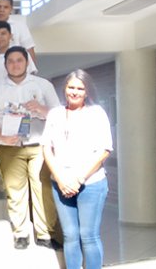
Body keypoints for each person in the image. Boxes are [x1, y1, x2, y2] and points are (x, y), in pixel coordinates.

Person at [0, 46, 61, 250]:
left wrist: (41, 109)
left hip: (39, 145)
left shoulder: (43, 85)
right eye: (11, 61)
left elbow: (58, 114)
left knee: (42, 189)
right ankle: (21, 233)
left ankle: (44, 234)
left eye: (19, 60)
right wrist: (0, 136)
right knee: (15, 191)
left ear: (27, 62)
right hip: (9, 147)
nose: (15, 64)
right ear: (5, 64)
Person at [42, 69, 112, 269]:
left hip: (91, 183)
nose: (74, 92)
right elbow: (47, 147)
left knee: (88, 236)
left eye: (80, 88)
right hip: (61, 185)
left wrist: (78, 179)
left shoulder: (96, 113)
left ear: (87, 91)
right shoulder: (55, 113)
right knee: (70, 236)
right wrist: (60, 178)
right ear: (65, 88)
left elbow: (105, 149)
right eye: (71, 87)